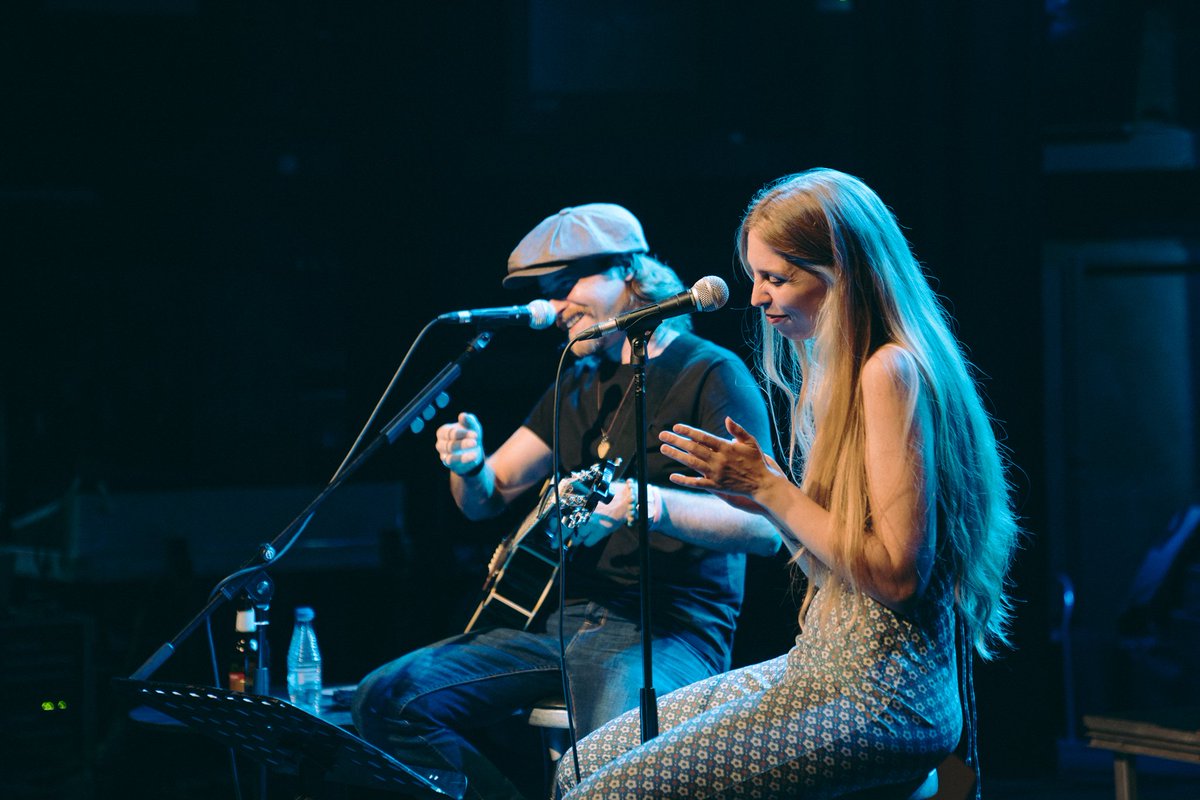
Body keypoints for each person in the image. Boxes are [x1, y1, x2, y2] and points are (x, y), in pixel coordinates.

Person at [554, 169, 1021, 799]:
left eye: (776, 278)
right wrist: (764, 499)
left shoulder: (890, 372)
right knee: (577, 767)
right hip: (826, 667)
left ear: (842, 276)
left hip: (883, 693)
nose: (756, 298)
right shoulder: (840, 373)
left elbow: (899, 579)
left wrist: (773, 491)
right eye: (755, 277)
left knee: (603, 794)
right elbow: (840, 569)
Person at [352, 203, 781, 800]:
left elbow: (766, 529)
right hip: (558, 624)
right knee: (387, 699)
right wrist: (469, 466)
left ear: (629, 273)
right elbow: (485, 498)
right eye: (547, 294)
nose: (555, 307)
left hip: (670, 628)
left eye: (567, 284)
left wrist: (641, 503)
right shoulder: (577, 381)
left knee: (610, 763)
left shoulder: (710, 374)